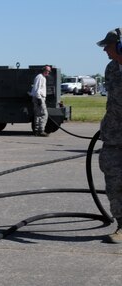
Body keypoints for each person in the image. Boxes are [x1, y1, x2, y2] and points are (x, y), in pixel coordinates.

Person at [97, 27, 122, 244]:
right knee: (113, 181)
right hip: (113, 136)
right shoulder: (111, 68)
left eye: (109, 46)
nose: (105, 49)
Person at [30, 65, 52, 137]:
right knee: (44, 114)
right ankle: (41, 130)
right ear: (43, 70)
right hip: (38, 97)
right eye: (47, 70)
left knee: (38, 114)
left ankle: (37, 131)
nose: (48, 72)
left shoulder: (42, 77)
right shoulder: (40, 77)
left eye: (49, 71)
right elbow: (37, 88)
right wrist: (39, 98)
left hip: (37, 97)